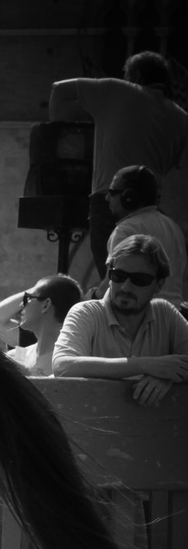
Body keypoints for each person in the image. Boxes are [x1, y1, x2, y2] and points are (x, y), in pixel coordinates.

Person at [50, 51, 188, 276]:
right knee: (145, 280)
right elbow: (172, 164)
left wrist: (60, 132)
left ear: (135, 75)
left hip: (112, 201)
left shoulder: (118, 90)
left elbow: (59, 89)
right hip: (153, 211)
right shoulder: (181, 118)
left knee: (114, 280)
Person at [53, 233, 188, 406]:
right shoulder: (86, 312)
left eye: (139, 280)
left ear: (159, 285)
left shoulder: (166, 314)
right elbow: (63, 366)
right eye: (119, 276)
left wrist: (169, 376)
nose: (125, 287)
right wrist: (146, 365)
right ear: (109, 275)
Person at [103, 165, 188, 303]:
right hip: (173, 316)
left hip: (139, 317)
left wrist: (87, 296)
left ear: (129, 197)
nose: (107, 198)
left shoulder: (126, 230)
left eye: (112, 192)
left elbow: (110, 287)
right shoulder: (173, 227)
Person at [0, 273, 82, 376]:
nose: (22, 304)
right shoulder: (17, 356)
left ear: (46, 304)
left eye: (28, 298)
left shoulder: (70, 363)